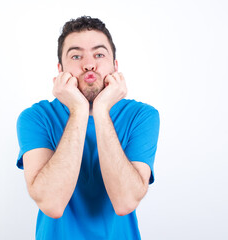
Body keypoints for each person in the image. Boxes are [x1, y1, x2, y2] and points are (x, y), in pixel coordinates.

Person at [16, 16, 160, 240]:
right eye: (76, 56)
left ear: (115, 66)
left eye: (99, 54)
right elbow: (52, 204)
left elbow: (125, 202)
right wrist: (79, 111)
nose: (89, 64)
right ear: (60, 69)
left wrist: (101, 110)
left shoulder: (142, 116)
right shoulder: (36, 118)